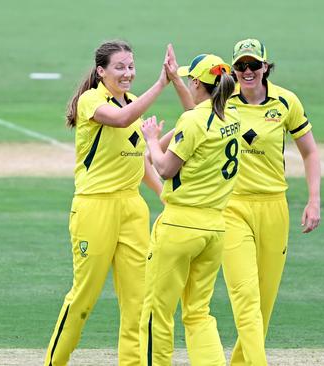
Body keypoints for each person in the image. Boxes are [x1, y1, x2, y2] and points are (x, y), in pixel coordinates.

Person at [44, 40, 168, 366]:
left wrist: (164, 196)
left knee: (138, 301)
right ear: (101, 71)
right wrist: (160, 84)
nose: (127, 73)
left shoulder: (132, 104)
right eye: (120, 67)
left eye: (130, 66)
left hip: (132, 208)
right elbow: (122, 120)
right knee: (84, 297)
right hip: (95, 207)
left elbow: (139, 163)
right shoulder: (91, 101)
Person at [222, 38, 322, 365]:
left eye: (254, 65)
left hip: (274, 208)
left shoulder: (285, 101)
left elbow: (309, 152)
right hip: (232, 208)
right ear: (233, 69)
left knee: (263, 303)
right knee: (245, 296)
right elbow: (192, 120)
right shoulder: (222, 100)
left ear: (266, 66)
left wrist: (313, 200)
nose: (247, 71)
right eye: (241, 66)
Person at [139, 53, 240, 366]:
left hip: (180, 227)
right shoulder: (232, 118)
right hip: (214, 228)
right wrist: (178, 82)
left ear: (199, 83)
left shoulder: (195, 121)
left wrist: (153, 140)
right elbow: (199, 114)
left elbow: (166, 169)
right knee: (198, 313)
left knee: (157, 312)